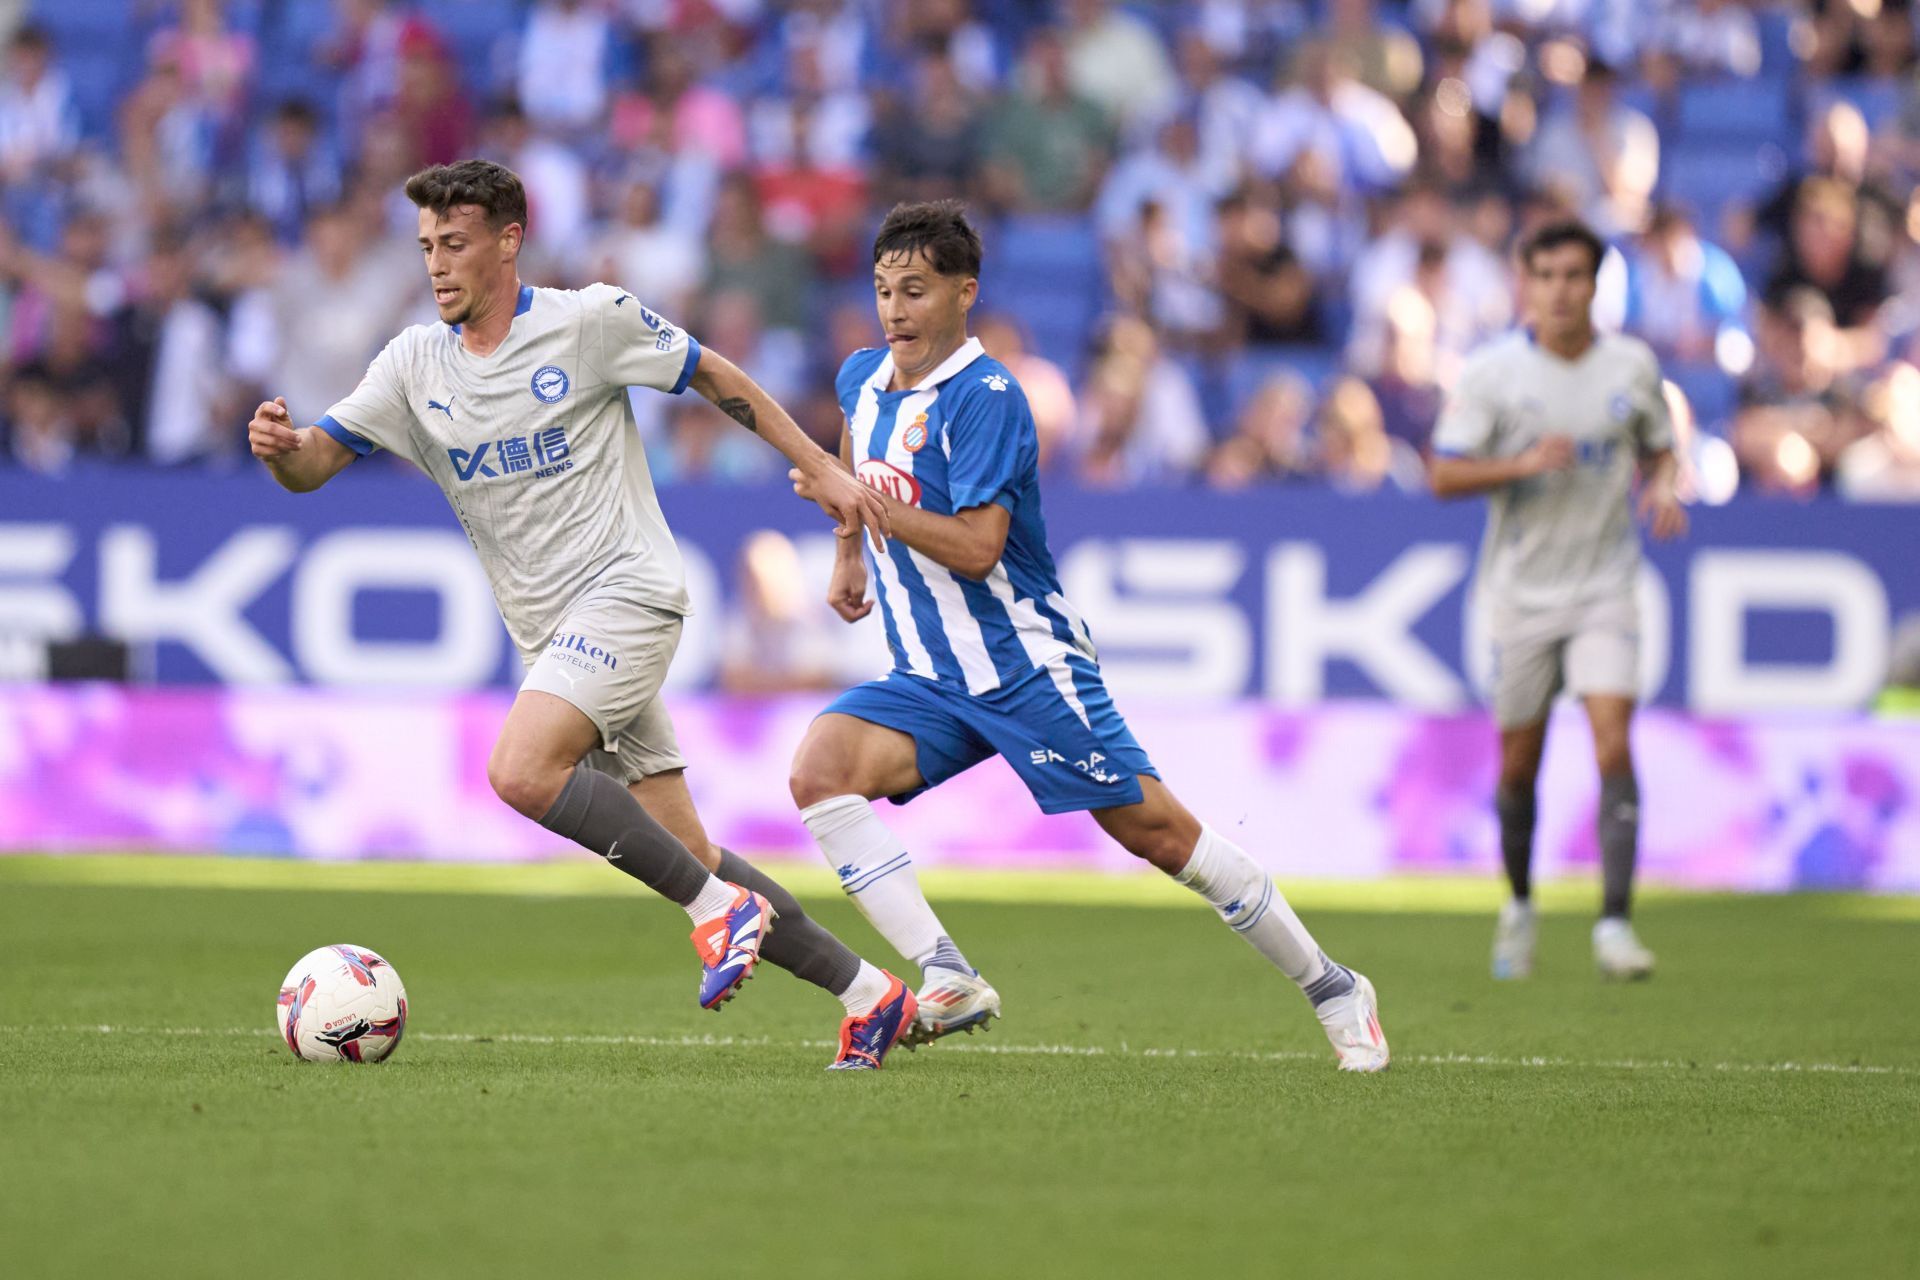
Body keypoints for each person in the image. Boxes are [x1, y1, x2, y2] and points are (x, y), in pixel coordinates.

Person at [244, 159, 914, 1071]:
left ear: (509, 242)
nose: (437, 265)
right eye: (427, 246)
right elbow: (318, 461)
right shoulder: (411, 366)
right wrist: (282, 450)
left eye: (457, 244)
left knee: (521, 770)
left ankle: (719, 914)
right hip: (555, 638)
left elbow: (715, 376)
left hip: (631, 593)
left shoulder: (587, 321)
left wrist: (826, 470)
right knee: (689, 850)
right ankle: (868, 994)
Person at [786, 201, 1389, 1072]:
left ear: (965, 293)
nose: (895, 311)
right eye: (884, 291)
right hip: (930, 671)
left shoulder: (988, 398)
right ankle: (947, 972)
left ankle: (1335, 986)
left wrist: (866, 509)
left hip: (1027, 664)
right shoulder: (860, 378)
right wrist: (849, 550)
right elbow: (852, 452)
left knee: (1161, 836)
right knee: (819, 771)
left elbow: (978, 545)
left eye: (915, 291)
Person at [1429, 219, 1688, 982]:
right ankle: (1517, 905)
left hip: (1606, 584)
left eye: (1574, 276)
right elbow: (1443, 474)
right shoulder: (1493, 374)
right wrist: (1517, 465)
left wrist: (1665, 488)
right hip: (1521, 595)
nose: (1560, 291)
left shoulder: (1631, 367)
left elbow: (1660, 446)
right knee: (1520, 764)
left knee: (1613, 738)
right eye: (1545, 276)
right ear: (1526, 283)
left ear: (1596, 284)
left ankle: (1614, 925)